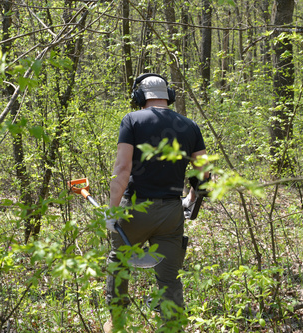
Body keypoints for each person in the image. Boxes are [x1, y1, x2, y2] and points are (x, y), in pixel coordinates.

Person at [104, 73, 209, 332]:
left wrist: (112, 210)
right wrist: (189, 199)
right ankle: (171, 326)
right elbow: (204, 174)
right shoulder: (190, 125)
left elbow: (123, 167)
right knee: (169, 279)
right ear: (168, 96)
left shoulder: (132, 120)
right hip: (171, 213)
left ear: (140, 97)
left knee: (119, 263)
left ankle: (116, 322)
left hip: (134, 212)